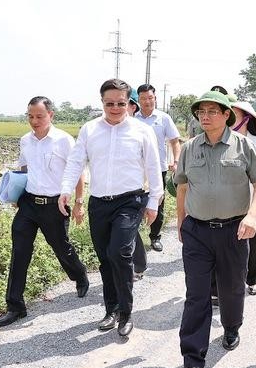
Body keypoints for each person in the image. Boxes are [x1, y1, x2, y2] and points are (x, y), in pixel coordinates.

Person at [175, 91, 256, 368]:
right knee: (197, 295)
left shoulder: (244, 146)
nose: (205, 116)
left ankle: (231, 326)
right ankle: (192, 360)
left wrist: (252, 215)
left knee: (230, 288)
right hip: (197, 232)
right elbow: (182, 187)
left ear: (227, 114)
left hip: (234, 230)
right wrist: (181, 222)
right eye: (201, 111)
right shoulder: (190, 148)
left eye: (212, 111)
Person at [59, 78, 163, 337]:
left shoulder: (141, 131)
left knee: (120, 253)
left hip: (130, 201)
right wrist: (66, 190)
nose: (115, 108)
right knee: (105, 257)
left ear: (130, 103)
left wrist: (154, 203)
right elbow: (75, 162)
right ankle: (111, 309)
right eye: (109, 103)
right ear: (102, 102)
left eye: (121, 103)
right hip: (99, 203)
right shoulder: (89, 129)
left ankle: (126, 313)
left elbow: (153, 167)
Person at [0, 96, 90, 327]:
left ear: (51, 115)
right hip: (28, 204)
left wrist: (78, 202)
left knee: (61, 247)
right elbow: (24, 168)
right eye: (30, 116)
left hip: (55, 204)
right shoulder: (25, 141)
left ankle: (79, 275)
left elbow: (77, 172)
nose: (34, 121)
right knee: (19, 252)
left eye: (39, 116)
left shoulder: (63, 141)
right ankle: (15, 306)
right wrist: (16, 195)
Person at [230, 101, 256, 295]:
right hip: (229, 202)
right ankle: (227, 284)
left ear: (246, 119)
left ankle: (252, 279)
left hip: (252, 202)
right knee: (228, 244)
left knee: (251, 242)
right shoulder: (224, 140)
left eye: (234, 115)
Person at [135, 84, 181, 252]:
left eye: (150, 98)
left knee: (158, 203)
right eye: (143, 98)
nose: (147, 102)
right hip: (137, 170)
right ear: (138, 100)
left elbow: (175, 141)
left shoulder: (163, 118)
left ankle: (155, 237)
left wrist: (176, 162)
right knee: (136, 202)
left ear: (155, 98)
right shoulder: (132, 118)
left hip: (158, 168)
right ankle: (134, 236)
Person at [127, 88, 148, 281]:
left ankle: (135, 267)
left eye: (123, 103)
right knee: (128, 231)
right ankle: (139, 263)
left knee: (128, 230)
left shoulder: (141, 130)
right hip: (112, 194)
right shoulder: (103, 129)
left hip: (138, 190)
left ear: (133, 107)